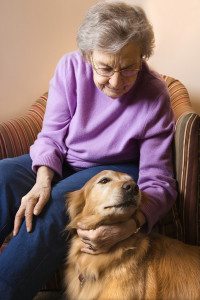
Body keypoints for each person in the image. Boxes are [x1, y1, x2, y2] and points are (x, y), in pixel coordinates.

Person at [0, 1, 177, 299]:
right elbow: (51, 135)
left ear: (143, 57)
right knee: (3, 175)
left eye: (129, 68)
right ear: (87, 56)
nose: (117, 82)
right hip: (64, 160)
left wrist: (132, 224)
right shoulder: (70, 68)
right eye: (105, 68)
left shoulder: (155, 95)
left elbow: (158, 180)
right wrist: (42, 181)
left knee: (58, 204)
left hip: (115, 169)